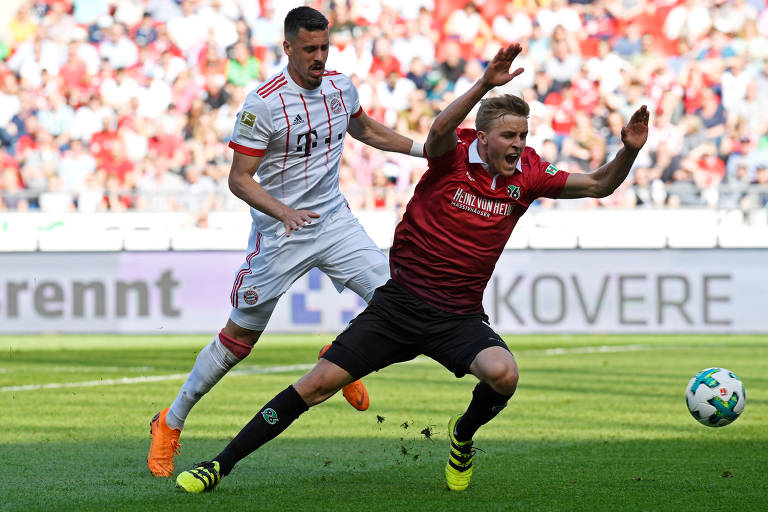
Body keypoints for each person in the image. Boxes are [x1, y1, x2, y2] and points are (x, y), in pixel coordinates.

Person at [174, 43, 649, 493]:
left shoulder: (528, 173)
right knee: (315, 385)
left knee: (504, 375)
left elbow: (601, 184)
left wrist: (627, 149)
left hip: (457, 318)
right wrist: (483, 84)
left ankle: (462, 436)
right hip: (398, 307)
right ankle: (220, 464)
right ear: (482, 136)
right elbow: (438, 131)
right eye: (509, 135)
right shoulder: (450, 158)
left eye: (523, 136)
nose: (517, 145)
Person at [147, 6, 426, 478]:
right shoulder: (263, 103)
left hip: (333, 221)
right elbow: (240, 179)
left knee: (403, 308)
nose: (319, 57)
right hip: (279, 233)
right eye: (310, 49)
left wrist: (424, 150)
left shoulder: (340, 87)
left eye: (325, 48)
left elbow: (367, 130)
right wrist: (283, 212)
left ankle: (338, 360)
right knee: (239, 339)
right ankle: (169, 423)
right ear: (288, 48)